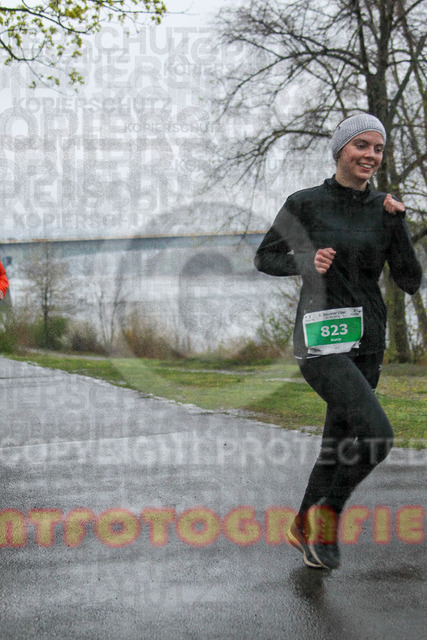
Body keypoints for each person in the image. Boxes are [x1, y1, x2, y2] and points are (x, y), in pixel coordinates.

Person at [254, 113, 423, 570]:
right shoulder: (305, 203)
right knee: (377, 435)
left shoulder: (384, 209)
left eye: (378, 148)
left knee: (338, 444)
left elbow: (410, 280)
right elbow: (265, 257)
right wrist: (305, 260)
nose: (370, 155)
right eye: (361, 145)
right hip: (319, 338)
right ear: (341, 150)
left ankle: (302, 527)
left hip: (367, 340)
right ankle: (325, 518)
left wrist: (399, 224)